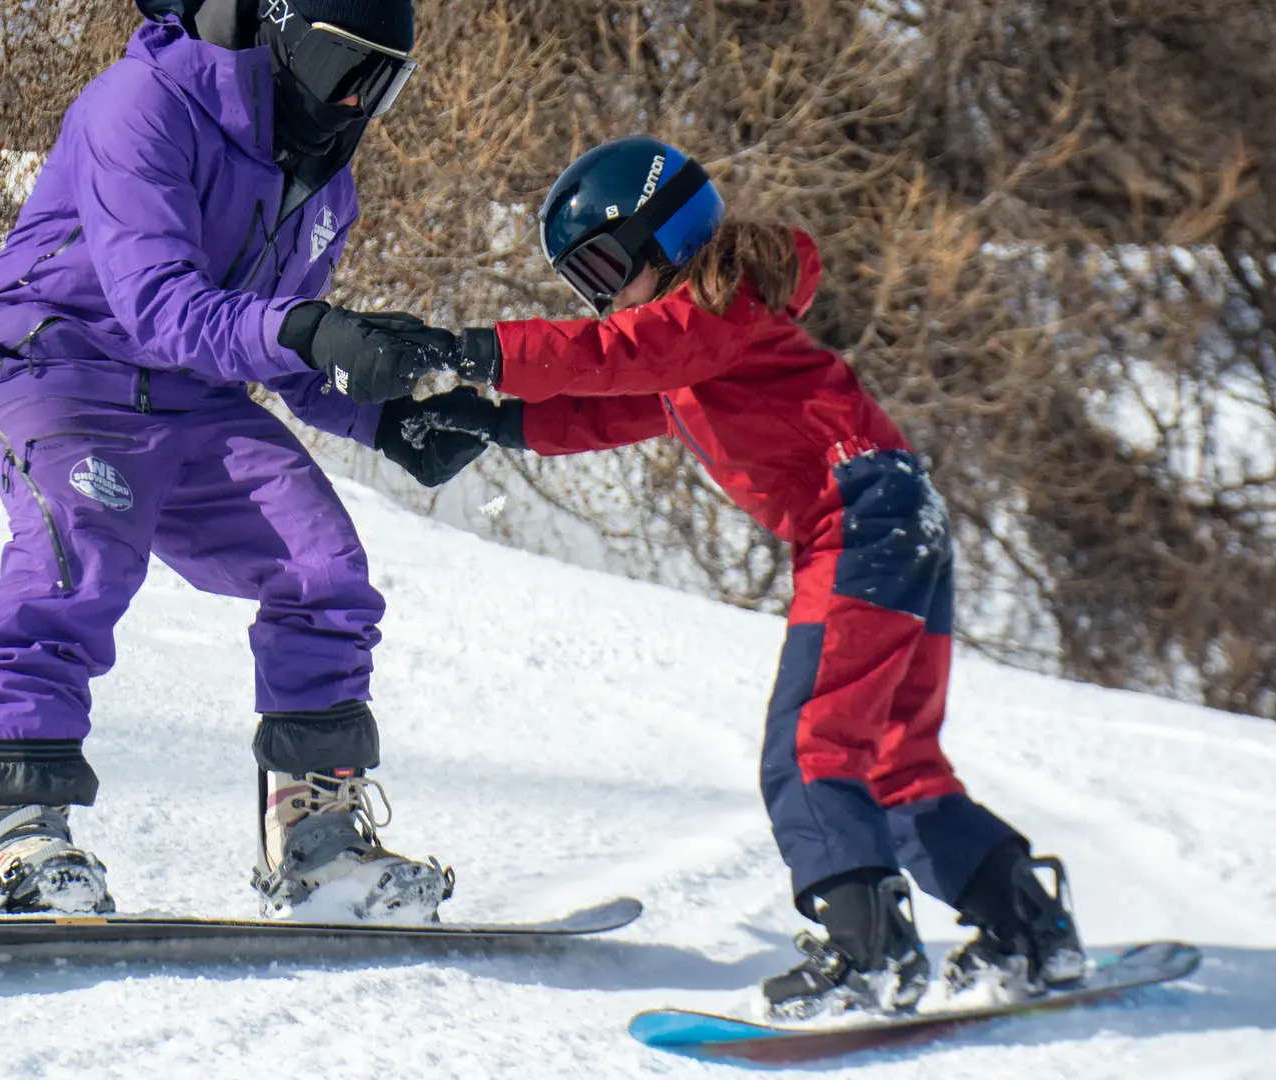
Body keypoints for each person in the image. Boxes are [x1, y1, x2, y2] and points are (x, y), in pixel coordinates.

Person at [316, 136, 1087, 1015]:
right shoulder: (706, 341)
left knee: (811, 747)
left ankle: (869, 951)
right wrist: (491, 419)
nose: (603, 297)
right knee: (889, 761)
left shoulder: (715, 313)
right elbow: (609, 407)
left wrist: (469, 350)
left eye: (607, 267)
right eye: (584, 282)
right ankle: (1027, 926)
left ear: (670, 236)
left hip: (861, 519)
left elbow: (616, 356)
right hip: (894, 519)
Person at [0, 0, 483, 922]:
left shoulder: (325, 183)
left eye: (384, 83)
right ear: (275, 35)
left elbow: (283, 350)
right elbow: (160, 304)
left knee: (323, 569)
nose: (357, 103)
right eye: (342, 68)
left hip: (192, 397)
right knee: (82, 549)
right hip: (59, 364)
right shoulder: (142, 105)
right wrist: (311, 330)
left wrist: (392, 417)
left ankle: (319, 849)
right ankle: (13, 830)